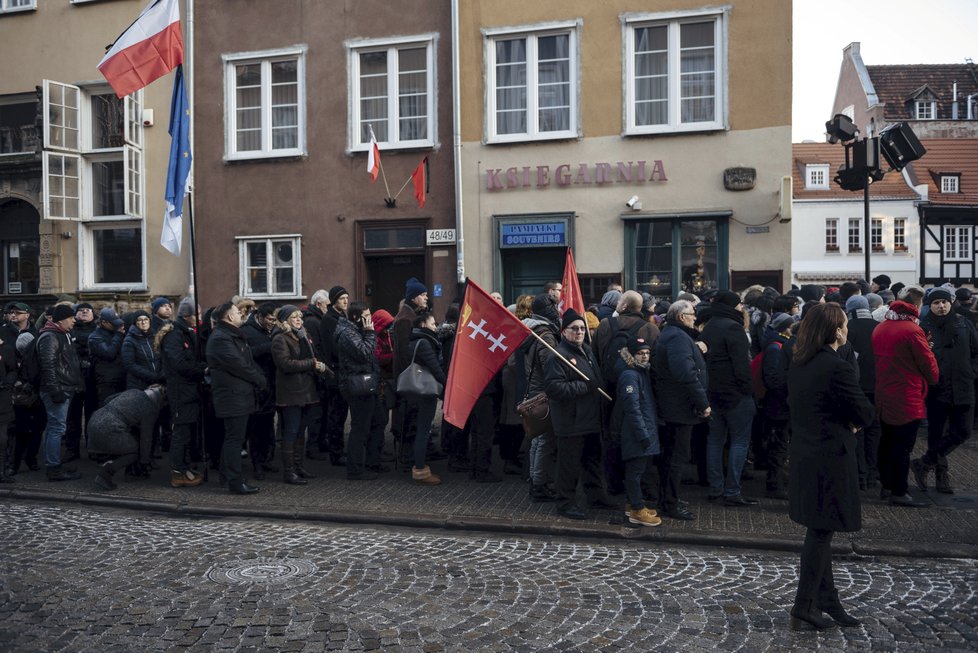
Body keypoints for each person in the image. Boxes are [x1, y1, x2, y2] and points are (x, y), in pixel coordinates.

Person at [786, 302, 875, 631]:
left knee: (819, 528)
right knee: (821, 532)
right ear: (837, 330)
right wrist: (851, 421)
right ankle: (804, 604)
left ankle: (826, 600)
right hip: (829, 455)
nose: (848, 329)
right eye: (845, 325)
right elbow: (864, 412)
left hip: (808, 451)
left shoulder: (800, 361)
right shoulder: (835, 366)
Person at [544, 309, 610, 520]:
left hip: (590, 419)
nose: (579, 332)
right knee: (568, 466)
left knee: (592, 460)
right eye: (574, 329)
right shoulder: (558, 356)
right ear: (564, 332)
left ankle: (596, 496)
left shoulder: (587, 351)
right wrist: (584, 387)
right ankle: (565, 503)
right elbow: (555, 389)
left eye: (582, 328)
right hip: (571, 421)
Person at [872, 299, 938, 508]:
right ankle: (900, 491)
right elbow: (929, 366)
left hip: (884, 392)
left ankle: (887, 485)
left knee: (886, 441)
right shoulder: (912, 331)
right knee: (903, 445)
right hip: (907, 394)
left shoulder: (880, 328)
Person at [914, 287, 978, 494]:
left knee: (962, 432)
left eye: (944, 302)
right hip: (937, 389)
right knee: (936, 433)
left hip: (964, 385)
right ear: (929, 306)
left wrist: (972, 371)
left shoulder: (963, 323)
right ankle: (942, 476)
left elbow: (976, 351)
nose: (941, 306)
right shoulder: (924, 328)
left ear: (950, 303)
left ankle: (924, 462)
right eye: (936, 303)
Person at [654, 300, 710, 521]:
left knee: (672, 457)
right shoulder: (677, 337)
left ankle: (668, 498)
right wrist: (703, 403)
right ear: (681, 317)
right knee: (676, 458)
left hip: (675, 407)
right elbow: (685, 374)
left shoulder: (674, 335)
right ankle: (670, 503)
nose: (695, 317)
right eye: (691, 313)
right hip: (679, 409)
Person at [701, 290, 756, 507]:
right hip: (735, 394)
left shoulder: (710, 326)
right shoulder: (734, 328)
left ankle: (716, 488)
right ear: (733, 307)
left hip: (713, 393)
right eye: (739, 305)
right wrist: (748, 391)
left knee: (715, 440)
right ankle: (732, 490)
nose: (742, 307)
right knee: (740, 441)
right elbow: (741, 366)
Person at [206, 301, 267, 495]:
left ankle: (227, 476)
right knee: (234, 439)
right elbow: (238, 364)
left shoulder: (231, 335)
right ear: (229, 317)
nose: (241, 314)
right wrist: (259, 379)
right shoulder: (221, 338)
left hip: (239, 395)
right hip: (232, 396)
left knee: (232, 438)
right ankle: (235, 482)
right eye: (237, 312)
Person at [271, 305, 325, 485]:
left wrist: (316, 364)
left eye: (300, 317)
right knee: (291, 431)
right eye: (294, 317)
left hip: (306, 391)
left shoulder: (303, 335)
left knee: (301, 431)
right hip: (291, 393)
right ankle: (289, 471)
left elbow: (312, 355)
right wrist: (311, 364)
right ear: (285, 320)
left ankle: (298, 466)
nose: (299, 320)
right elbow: (285, 364)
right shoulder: (280, 338)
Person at [336, 301, 388, 481]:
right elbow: (364, 353)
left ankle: (373, 462)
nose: (370, 320)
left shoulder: (356, 330)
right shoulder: (347, 333)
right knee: (360, 427)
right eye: (366, 316)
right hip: (357, 386)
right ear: (356, 317)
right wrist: (370, 333)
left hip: (368, 384)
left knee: (378, 421)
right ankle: (355, 469)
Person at [612, 336, 661, 527]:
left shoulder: (640, 372)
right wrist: (643, 435)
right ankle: (637, 509)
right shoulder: (630, 375)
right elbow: (632, 409)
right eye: (640, 353)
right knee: (635, 471)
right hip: (637, 433)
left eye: (647, 353)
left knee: (639, 470)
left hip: (645, 429)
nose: (645, 356)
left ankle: (635, 504)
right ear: (632, 355)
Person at [157, 297, 206, 488]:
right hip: (181, 391)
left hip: (190, 390)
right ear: (187, 316)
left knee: (187, 432)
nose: (199, 317)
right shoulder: (174, 335)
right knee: (181, 432)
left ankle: (184, 467)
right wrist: (200, 370)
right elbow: (178, 363)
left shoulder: (186, 332)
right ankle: (177, 472)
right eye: (197, 314)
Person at [36, 304, 83, 481]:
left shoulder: (63, 334)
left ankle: (53, 464)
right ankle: (54, 468)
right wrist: (55, 390)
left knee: (53, 427)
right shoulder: (50, 336)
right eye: (71, 318)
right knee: (57, 428)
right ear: (62, 320)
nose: (74, 321)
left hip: (64, 387)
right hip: (57, 389)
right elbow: (47, 366)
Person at [89, 385, 166, 491]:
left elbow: (108, 399)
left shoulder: (134, 391)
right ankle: (105, 474)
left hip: (95, 419)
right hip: (109, 428)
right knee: (132, 452)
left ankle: (127, 472)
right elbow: (146, 438)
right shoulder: (151, 409)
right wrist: (144, 461)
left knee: (131, 441)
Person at [522, 293, 560, 502]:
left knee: (537, 439)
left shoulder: (533, 329)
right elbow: (550, 366)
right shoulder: (544, 334)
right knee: (544, 439)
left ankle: (535, 479)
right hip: (543, 392)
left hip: (535, 389)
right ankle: (538, 485)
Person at [404, 312, 446, 485]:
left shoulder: (416, 340)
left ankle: (420, 466)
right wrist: (447, 385)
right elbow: (435, 368)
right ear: (422, 324)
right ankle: (420, 470)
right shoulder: (424, 344)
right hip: (425, 392)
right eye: (432, 324)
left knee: (421, 429)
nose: (435, 327)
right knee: (423, 430)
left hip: (418, 391)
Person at [845, 295, 882, 490]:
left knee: (857, 430)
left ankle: (860, 474)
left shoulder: (848, 328)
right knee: (875, 430)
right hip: (878, 386)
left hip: (856, 388)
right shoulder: (880, 327)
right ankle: (873, 472)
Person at [240, 302, 278, 479]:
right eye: (270, 319)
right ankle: (257, 464)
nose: (273, 322)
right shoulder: (247, 331)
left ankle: (267, 459)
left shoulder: (270, 330)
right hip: (258, 387)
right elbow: (248, 354)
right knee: (256, 428)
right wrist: (270, 346)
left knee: (268, 426)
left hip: (271, 384)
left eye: (275, 319)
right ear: (260, 317)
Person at [320, 286, 351, 466]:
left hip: (341, 370)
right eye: (342, 299)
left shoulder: (340, 316)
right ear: (334, 301)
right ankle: (336, 452)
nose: (345, 301)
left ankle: (337, 450)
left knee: (340, 413)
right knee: (336, 414)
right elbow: (333, 347)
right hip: (336, 372)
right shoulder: (330, 319)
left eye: (347, 298)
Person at [65, 302, 97, 463]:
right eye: (81, 310)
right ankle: (72, 449)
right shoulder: (69, 329)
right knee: (73, 416)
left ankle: (93, 448)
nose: (84, 312)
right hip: (74, 378)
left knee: (93, 416)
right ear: (75, 314)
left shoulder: (99, 329)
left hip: (93, 380)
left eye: (87, 310)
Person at [302, 288, 331, 460]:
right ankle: (313, 446)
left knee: (322, 410)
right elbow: (315, 349)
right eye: (327, 305)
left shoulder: (317, 319)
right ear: (319, 304)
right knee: (317, 412)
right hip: (317, 373)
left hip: (320, 371)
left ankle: (320, 442)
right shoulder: (313, 322)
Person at [88, 307, 126, 407]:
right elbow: (109, 353)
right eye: (113, 323)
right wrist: (118, 335)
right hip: (107, 381)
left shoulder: (116, 333)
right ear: (103, 322)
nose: (117, 325)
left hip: (121, 378)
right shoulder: (95, 337)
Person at [121, 311, 163, 391]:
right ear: (135, 323)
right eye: (140, 320)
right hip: (139, 384)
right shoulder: (129, 340)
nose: (143, 322)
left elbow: (162, 358)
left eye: (146, 319)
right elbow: (130, 365)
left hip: (158, 382)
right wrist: (153, 377)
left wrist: (161, 376)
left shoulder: (155, 337)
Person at [0, 325, 17, 483]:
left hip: (2, 400)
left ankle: (2, 471)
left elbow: (12, 369)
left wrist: (7, 383)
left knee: (2, 439)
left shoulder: (6, 348)